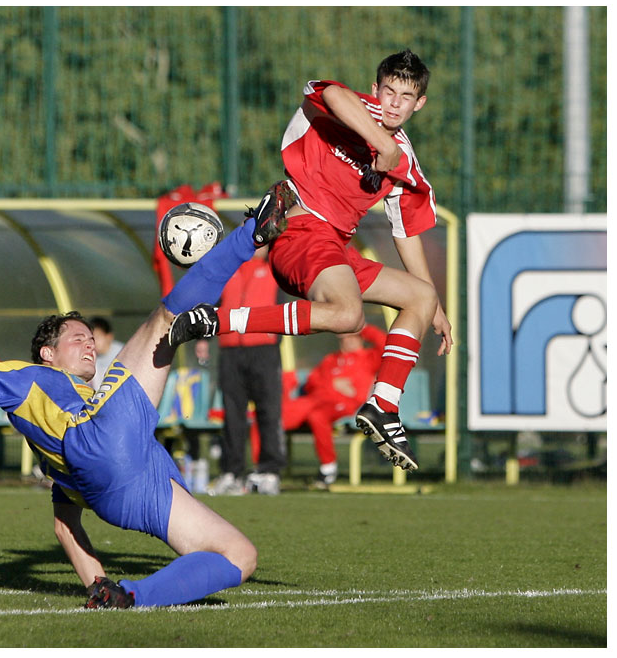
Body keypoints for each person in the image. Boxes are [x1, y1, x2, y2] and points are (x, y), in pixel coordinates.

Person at [0, 210, 285, 609]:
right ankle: (253, 233)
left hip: (126, 489)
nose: (89, 345)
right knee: (165, 321)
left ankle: (128, 596)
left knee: (240, 555)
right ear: (48, 354)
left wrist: (97, 583)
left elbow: (65, 527)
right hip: (106, 443)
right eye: (77, 339)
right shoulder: (28, 378)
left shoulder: (63, 416)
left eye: (90, 340)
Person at [170, 49, 453, 472]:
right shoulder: (350, 109)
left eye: (406, 96)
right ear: (375, 90)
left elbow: (406, 232)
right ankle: (219, 320)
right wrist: (380, 144)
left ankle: (383, 406)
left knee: (420, 296)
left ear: (420, 104)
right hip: (300, 230)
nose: (394, 103)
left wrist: (437, 308)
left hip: (334, 249)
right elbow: (332, 92)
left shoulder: (405, 162)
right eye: (388, 91)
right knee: (347, 315)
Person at [209, 246, 285, 496]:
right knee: (232, 414)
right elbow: (213, 304)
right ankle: (231, 472)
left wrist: (276, 338)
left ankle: (269, 471)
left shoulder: (276, 269)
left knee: (269, 411)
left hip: (263, 349)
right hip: (230, 350)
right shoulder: (228, 269)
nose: (254, 245)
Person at [280, 323, 386, 486]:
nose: (347, 341)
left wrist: (361, 327)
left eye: (352, 337)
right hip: (315, 401)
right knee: (272, 417)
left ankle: (328, 467)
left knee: (317, 416)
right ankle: (264, 467)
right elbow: (311, 382)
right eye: (344, 338)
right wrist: (332, 383)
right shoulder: (331, 359)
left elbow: (385, 344)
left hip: (344, 404)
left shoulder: (368, 358)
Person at [89, 316, 124, 389]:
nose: (93, 342)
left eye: (97, 337)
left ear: (109, 336)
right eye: (91, 338)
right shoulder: (92, 358)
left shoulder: (123, 353)